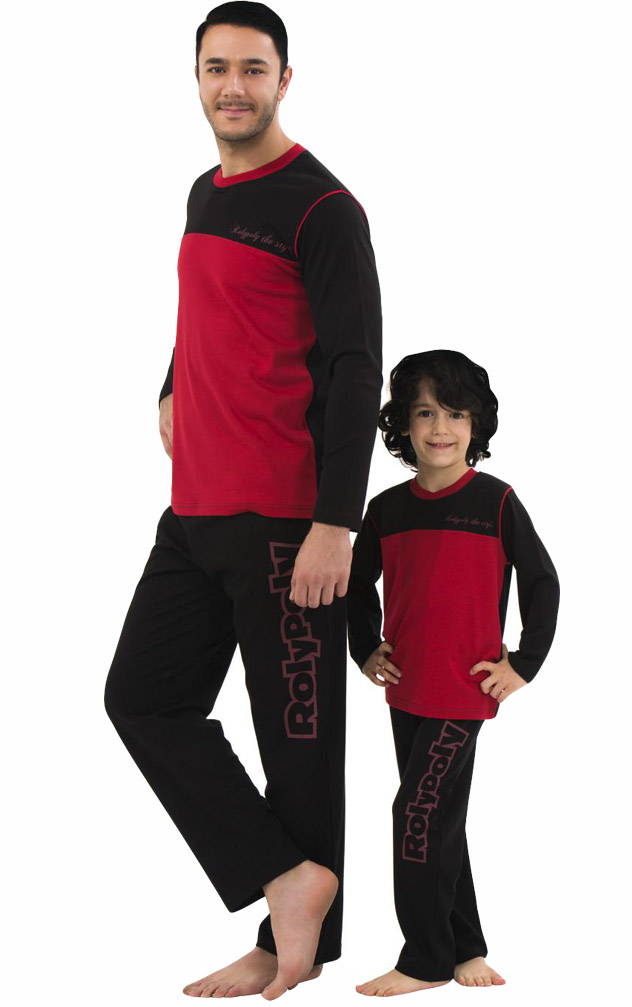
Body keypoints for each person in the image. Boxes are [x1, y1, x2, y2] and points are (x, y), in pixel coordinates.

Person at [103, 3, 382, 1001]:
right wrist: (169, 383)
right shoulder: (205, 191)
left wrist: (335, 522)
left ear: (284, 80)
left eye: (253, 69)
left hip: (283, 520)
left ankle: (291, 942)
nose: (233, 86)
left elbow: (355, 369)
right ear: (196, 78)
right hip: (193, 511)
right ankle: (287, 879)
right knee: (142, 698)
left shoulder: (323, 208)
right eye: (216, 67)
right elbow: (206, 307)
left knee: (297, 744)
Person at [347, 349, 560, 995]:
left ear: (476, 424)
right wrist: (365, 647)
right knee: (437, 818)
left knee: (416, 811)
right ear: (403, 426)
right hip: (406, 690)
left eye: (456, 413)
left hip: (463, 692)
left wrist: (523, 664)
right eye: (424, 413)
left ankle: (425, 958)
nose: (440, 427)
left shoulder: (496, 501)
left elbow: (543, 582)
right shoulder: (386, 509)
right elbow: (356, 586)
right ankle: (465, 946)